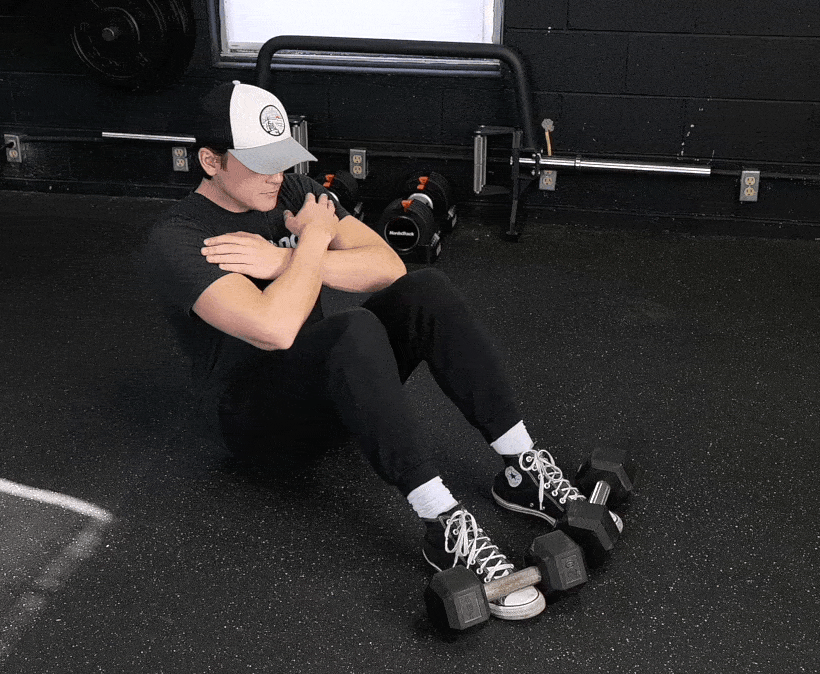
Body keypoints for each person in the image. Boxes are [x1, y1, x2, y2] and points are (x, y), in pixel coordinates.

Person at [144, 81, 620, 623]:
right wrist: (317, 240)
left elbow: (387, 266)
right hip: (259, 425)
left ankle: (521, 468)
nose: (277, 176)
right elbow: (274, 329)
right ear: (210, 160)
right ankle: (444, 525)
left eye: (282, 160)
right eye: (259, 163)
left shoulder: (289, 192)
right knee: (353, 329)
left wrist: (283, 261)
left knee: (426, 291)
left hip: (340, 390)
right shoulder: (179, 239)